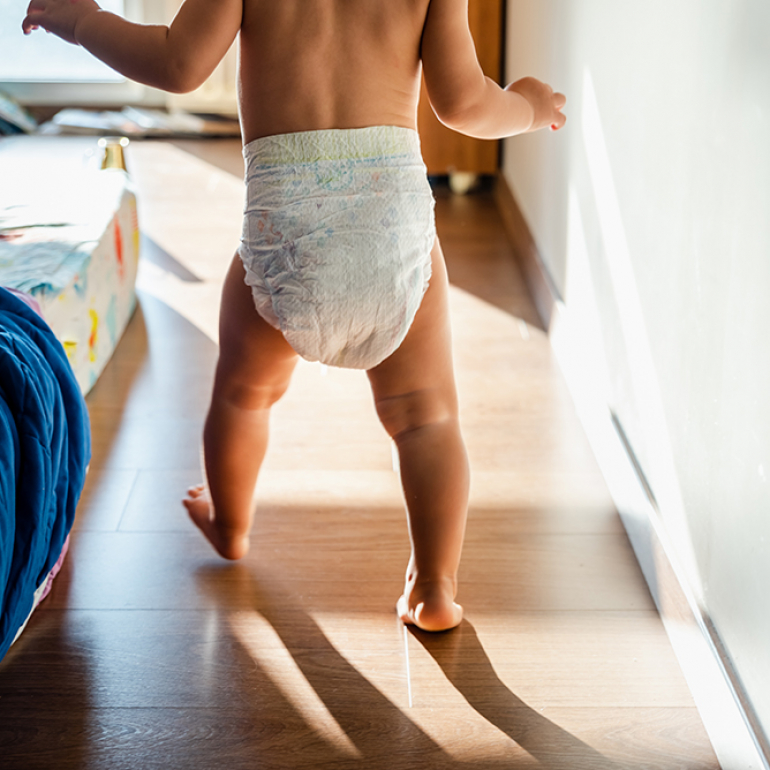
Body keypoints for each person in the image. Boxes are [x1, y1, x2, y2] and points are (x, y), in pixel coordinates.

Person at [23, 0, 566, 632]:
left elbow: (178, 64)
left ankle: (230, 522)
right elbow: (464, 105)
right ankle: (435, 587)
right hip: (391, 228)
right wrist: (527, 105)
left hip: (288, 231)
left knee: (242, 394)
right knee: (426, 417)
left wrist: (81, 20)